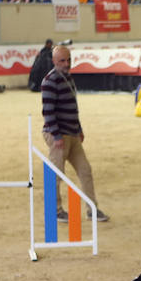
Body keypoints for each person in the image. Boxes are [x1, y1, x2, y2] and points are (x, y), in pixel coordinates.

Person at [40, 45, 108, 223]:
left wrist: (79, 129)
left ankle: (92, 209)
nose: (67, 63)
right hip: (58, 136)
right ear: (54, 61)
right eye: (62, 60)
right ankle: (55, 211)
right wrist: (56, 136)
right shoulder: (49, 81)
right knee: (55, 174)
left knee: (85, 170)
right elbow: (48, 112)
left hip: (72, 134)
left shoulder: (68, 77)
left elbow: (73, 107)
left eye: (69, 59)